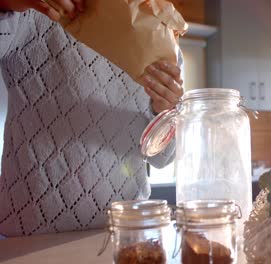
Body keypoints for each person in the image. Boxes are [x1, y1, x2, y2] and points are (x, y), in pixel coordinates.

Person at [0, 0, 183, 237]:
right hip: (30, 235)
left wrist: (166, 112)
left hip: (124, 232)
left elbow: (162, 157)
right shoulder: (40, 10)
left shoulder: (163, 32)